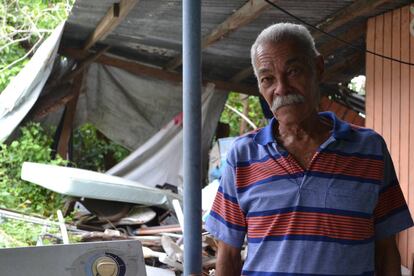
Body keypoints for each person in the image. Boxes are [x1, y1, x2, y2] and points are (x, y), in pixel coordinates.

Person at [205, 22, 413, 276]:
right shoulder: (243, 156)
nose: (281, 88)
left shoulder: (370, 149)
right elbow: (228, 254)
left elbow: (386, 251)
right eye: (268, 78)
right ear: (260, 86)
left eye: (293, 71)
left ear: (318, 68)